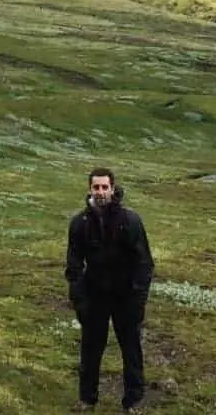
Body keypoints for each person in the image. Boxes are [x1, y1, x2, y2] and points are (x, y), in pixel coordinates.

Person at [64, 167, 154, 412]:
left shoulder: (130, 220)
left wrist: (137, 300)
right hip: (95, 297)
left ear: (113, 189)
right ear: (89, 189)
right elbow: (73, 266)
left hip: (125, 297)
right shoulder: (79, 224)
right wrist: (80, 300)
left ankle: (133, 401)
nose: (101, 192)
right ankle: (87, 399)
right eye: (96, 187)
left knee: (131, 349)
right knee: (91, 350)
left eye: (105, 187)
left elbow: (144, 263)